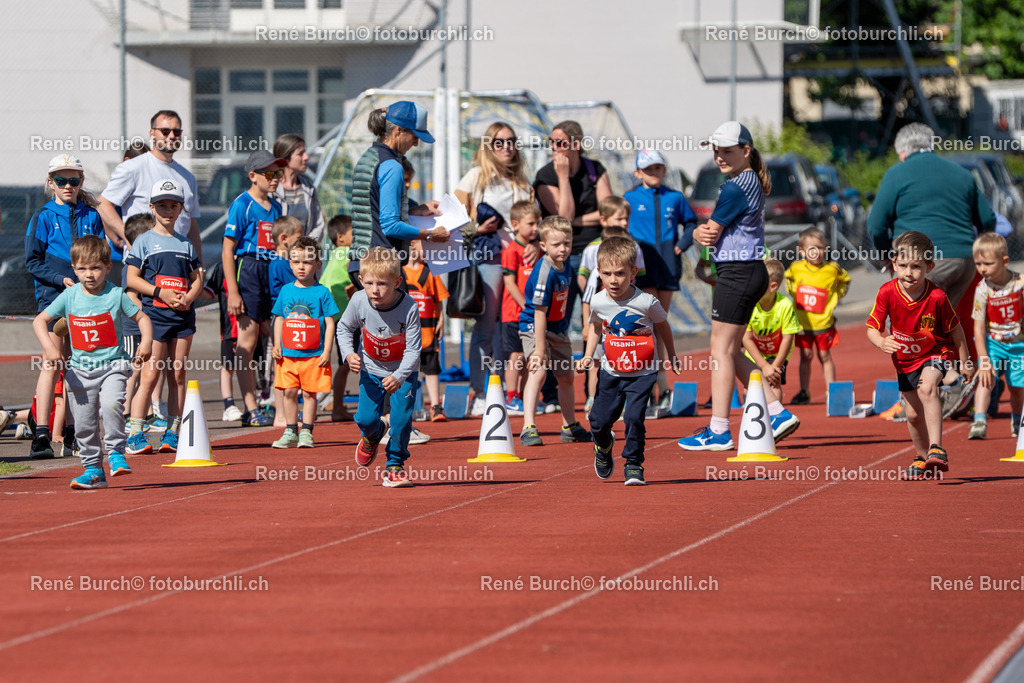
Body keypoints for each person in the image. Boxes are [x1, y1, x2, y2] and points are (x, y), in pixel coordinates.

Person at [32, 235, 152, 489]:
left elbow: (143, 318)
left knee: (110, 405)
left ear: (108, 267)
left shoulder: (117, 294)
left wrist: (146, 343)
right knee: (84, 423)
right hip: (80, 371)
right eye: (83, 268)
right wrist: (50, 349)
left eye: (95, 267)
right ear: (74, 269)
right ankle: (93, 470)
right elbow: (39, 321)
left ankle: (117, 452)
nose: (89, 274)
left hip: (113, 366)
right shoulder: (69, 296)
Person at [679, 122, 771, 451]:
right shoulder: (746, 180)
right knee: (728, 350)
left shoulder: (736, 186)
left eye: (726, 151)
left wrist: (693, 234)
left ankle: (719, 430)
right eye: (715, 150)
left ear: (746, 151)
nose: (719, 156)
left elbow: (709, 233)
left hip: (739, 272)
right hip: (745, 270)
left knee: (719, 351)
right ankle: (774, 410)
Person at [576, 237, 683, 485]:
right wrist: (587, 356)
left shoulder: (646, 302)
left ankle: (634, 464)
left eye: (621, 273)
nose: (614, 280)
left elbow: (663, 326)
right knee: (599, 421)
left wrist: (672, 355)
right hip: (611, 372)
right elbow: (594, 327)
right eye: (608, 274)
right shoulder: (599, 300)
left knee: (635, 418)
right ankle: (603, 447)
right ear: (599, 273)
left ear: (633, 272)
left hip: (642, 373)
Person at [866, 231, 973, 478]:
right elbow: (872, 327)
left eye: (916, 266)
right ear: (893, 264)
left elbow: (956, 329)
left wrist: (965, 362)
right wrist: (881, 342)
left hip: (937, 352)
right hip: (905, 361)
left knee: (927, 388)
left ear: (929, 267)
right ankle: (923, 457)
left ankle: (937, 449)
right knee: (913, 415)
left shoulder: (937, 297)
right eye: (903, 266)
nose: (909, 272)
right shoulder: (887, 292)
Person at [25, 154, 106, 459]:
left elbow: (101, 257)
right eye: (61, 180)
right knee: (53, 362)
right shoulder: (42, 217)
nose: (68, 185)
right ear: (51, 183)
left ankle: (74, 434)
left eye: (74, 180)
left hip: (86, 302)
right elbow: (32, 262)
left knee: (80, 366)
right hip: (54, 300)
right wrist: (61, 279)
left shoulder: (91, 215)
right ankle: (42, 436)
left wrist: (93, 285)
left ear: (81, 182)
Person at [455, 122, 536, 414]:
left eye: (511, 141)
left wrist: (535, 244)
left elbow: (531, 222)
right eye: (499, 142)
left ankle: (507, 393)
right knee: (486, 326)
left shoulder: (523, 183)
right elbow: (453, 214)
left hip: (518, 260)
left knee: (510, 328)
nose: (506, 147)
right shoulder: (477, 176)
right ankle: (479, 393)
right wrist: (476, 229)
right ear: (488, 146)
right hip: (488, 258)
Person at [868, 122, 995, 308]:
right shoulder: (962, 173)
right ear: (932, 146)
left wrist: (887, 256)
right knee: (943, 323)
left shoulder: (896, 174)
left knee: (906, 325)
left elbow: (875, 225)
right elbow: (987, 219)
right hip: (963, 261)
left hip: (920, 262)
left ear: (902, 153)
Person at [124, 180, 204, 455]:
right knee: (150, 374)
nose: (168, 210)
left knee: (178, 374)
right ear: (152, 207)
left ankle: (173, 431)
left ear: (181, 208)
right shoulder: (143, 242)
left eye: (173, 205)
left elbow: (197, 280)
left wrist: (188, 297)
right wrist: (161, 292)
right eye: (162, 205)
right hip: (155, 318)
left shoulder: (186, 245)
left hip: (183, 319)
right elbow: (131, 279)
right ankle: (135, 432)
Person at [337, 247, 422, 488]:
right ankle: (373, 434)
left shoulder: (409, 308)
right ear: (361, 280)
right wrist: (349, 353)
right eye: (370, 283)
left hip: (403, 372)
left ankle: (394, 465)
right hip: (371, 369)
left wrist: (399, 375)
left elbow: (414, 349)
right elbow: (344, 328)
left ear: (397, 282)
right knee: (365, 418)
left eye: (383, 284)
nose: (375, 290)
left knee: (401, 418)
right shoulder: (358, 300)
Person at [625, 149, 697, 408]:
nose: (654, 173)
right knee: (642, 326)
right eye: (648, 169)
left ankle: (663, 386)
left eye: (658, 168)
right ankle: (644, 384)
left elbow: (691, 223)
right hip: (641, 266)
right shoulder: (629, 198)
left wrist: (681, 245)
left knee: (658, 324)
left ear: (664, 170)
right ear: (638, 173)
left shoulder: (675, 197)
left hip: (667, 264)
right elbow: (619, 225)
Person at [222, 149, 287, 428]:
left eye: (278, 174)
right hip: (248, 269)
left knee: (279, 336)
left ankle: (277, 402)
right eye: (269, 174)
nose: (275, 179)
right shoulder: (242, 204)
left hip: (272, 270)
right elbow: (227, 250)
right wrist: (233, 292)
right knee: (246, 343)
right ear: (253, 176)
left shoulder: (277, 207)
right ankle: (249, 406)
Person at [348, 102, 447, 283]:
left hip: (360, 264)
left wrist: (413, 210)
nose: (416, 143)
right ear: (398, 130)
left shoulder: (369, 157)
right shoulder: (392, 166)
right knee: (408, 311)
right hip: (381, 269)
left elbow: (373, 209)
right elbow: (390, 226)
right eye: (415, 136)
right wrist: (432, 235)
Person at [518, 216, 592, 447]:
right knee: (538, 371)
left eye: (567, 243)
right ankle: (528, 426)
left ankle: (569, 425)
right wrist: (540, 349)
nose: (563, 249)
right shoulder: (544, 272)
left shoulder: (566, 263)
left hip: (558, 328)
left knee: (567, 377)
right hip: (534, 325)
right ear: (543, 246)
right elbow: (539, 313)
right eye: (556, 245)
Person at [534, 121, 612, 328]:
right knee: (559, 318)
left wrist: (578, 220)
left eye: (560, 143)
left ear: (575, 145)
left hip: (593, 252)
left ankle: (592, 360)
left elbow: (609, 212)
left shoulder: (594, 169)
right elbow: (564, 219)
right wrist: (563, 177)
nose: (553, 147)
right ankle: (555, 360)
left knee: (596, 317)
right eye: (551, 142)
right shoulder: (546, 175)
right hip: (562, 255)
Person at [97, 110, 203, 262]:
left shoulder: (187, 177)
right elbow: (103, 204)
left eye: (176, 131)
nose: (171, 136)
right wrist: (129, 239)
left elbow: (191, 225)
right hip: (143, 264)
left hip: (180, 264)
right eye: (165, 131)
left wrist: (198, 267)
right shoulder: (133, 167)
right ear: (152, 134)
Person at [577, 197, 646, 411]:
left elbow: (639, 280)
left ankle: (625, 400)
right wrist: (588, 323)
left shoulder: (635, 248)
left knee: (624, 358)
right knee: (596, 360)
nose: (624, 222)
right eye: (619, 218)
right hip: (600, 318)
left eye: (627, 219)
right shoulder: (592, 251)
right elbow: (585, 286)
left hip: (624, 319)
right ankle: (592, 398)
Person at [270, 236, 338, 448]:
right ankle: (290, 431)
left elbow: (330, 322)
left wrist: (327, 351)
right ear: (290, 263)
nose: (301, 267)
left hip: (313, 355)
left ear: (318, 264)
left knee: (310, 393)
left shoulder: (322, 292)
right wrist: (276, 344)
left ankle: (307, 431)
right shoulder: (286, 290)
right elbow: (279, 317)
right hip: (288, 354)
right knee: (288, 392)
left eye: (307, 262)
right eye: (297, 261)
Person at [784, 227, 851, 404]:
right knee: (806, 356)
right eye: (812, 248)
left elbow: (845, 280)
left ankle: (832, 392)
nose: (816, 252)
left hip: (824, 322)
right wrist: (792, 293)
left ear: (826, 248)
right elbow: (788, 278)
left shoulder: (832, 269)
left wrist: (836, 296)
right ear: (802, 251)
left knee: (825, 356)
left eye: (820, 248)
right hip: (803, 323)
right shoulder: (796, 268)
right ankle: (804, 391)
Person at [969, 233, 1024, 440]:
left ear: (1004, 261)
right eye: (978, 263)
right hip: (993, 343)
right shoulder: (982, 290)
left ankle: (1018, 420)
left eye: (988, 263)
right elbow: (978, 327)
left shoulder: (1020, 284)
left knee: (1017, 387)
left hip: (1018, 345)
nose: (982, 269)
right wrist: (983, 359)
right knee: (986, 378)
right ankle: (979, 420)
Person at [742, 259, 801, 440]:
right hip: (755, 354)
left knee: (773, 383)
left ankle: (776, 421)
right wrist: (762, 365)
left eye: (757, 283)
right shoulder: (750, 304)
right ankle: (755, 422)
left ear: (773, 286)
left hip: (777, 355)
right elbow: (746, 338)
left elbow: (788, 339)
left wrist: (774, 366)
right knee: (749, 388)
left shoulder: (785, 306)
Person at [501, 200, 542, 415]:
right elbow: (510, 283)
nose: (536, 228)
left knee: (529, 357)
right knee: (516, 356)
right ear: (515, 225)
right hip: (514, 314)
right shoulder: (511, 251)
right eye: (531, 224)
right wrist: (526, 306)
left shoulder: (538, 251)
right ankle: (511, 396)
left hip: (533, 314)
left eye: (538, 224)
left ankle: (527, 394)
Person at [404, 239, 449, 420]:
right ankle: (407, 407)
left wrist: (442, 319)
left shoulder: (430, 272)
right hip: (407, 334)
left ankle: (436, 407)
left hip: (428, 331)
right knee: (407, 371)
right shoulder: (400, 272)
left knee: (431, 369)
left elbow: (438, 299)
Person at [120, 213, 155, 423]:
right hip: (133, 329)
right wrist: (149, 315)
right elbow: (131, 298)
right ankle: (124, 412)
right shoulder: (130, 268)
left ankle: (146, 412)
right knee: (133, 370)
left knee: (147, 370)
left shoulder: (148, 266)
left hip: (145, 329)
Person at [321, 214, 354, 421]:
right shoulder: (348, 253)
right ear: (340, 237)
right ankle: (337, 406)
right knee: (347, 363)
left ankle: (336, 405)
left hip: (328, 316)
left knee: (340, 363)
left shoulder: (334, 254)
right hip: (342, 318)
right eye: (354, 233)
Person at [272, 134, 326, 242]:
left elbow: (318, 224)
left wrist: (305, 247)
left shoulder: (308, 189)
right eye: (300, 154)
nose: (306, 157)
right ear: (285, 158)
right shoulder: (272, 190)